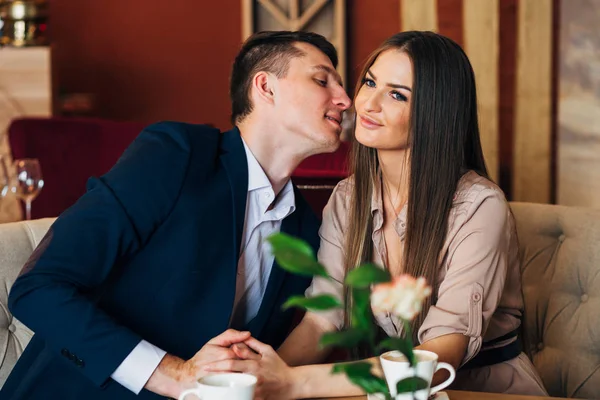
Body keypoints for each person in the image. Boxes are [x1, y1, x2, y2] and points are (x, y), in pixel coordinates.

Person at [1, 30, 351, 400]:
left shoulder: (305, 228)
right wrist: (174, 375)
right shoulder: (177, 155)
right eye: (322, 80)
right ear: (265, 87)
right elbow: (38, 288)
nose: (344, 99)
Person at [202, 31, 549, 399]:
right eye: (370, 82)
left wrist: (292, 383)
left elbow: (440, 355)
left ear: (436, 112)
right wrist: (260, 379)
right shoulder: (348, 198)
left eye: (397, 94)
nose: (367, 103)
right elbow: (323, 322)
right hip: (387, 390)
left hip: (482, 390)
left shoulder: (479, 205)